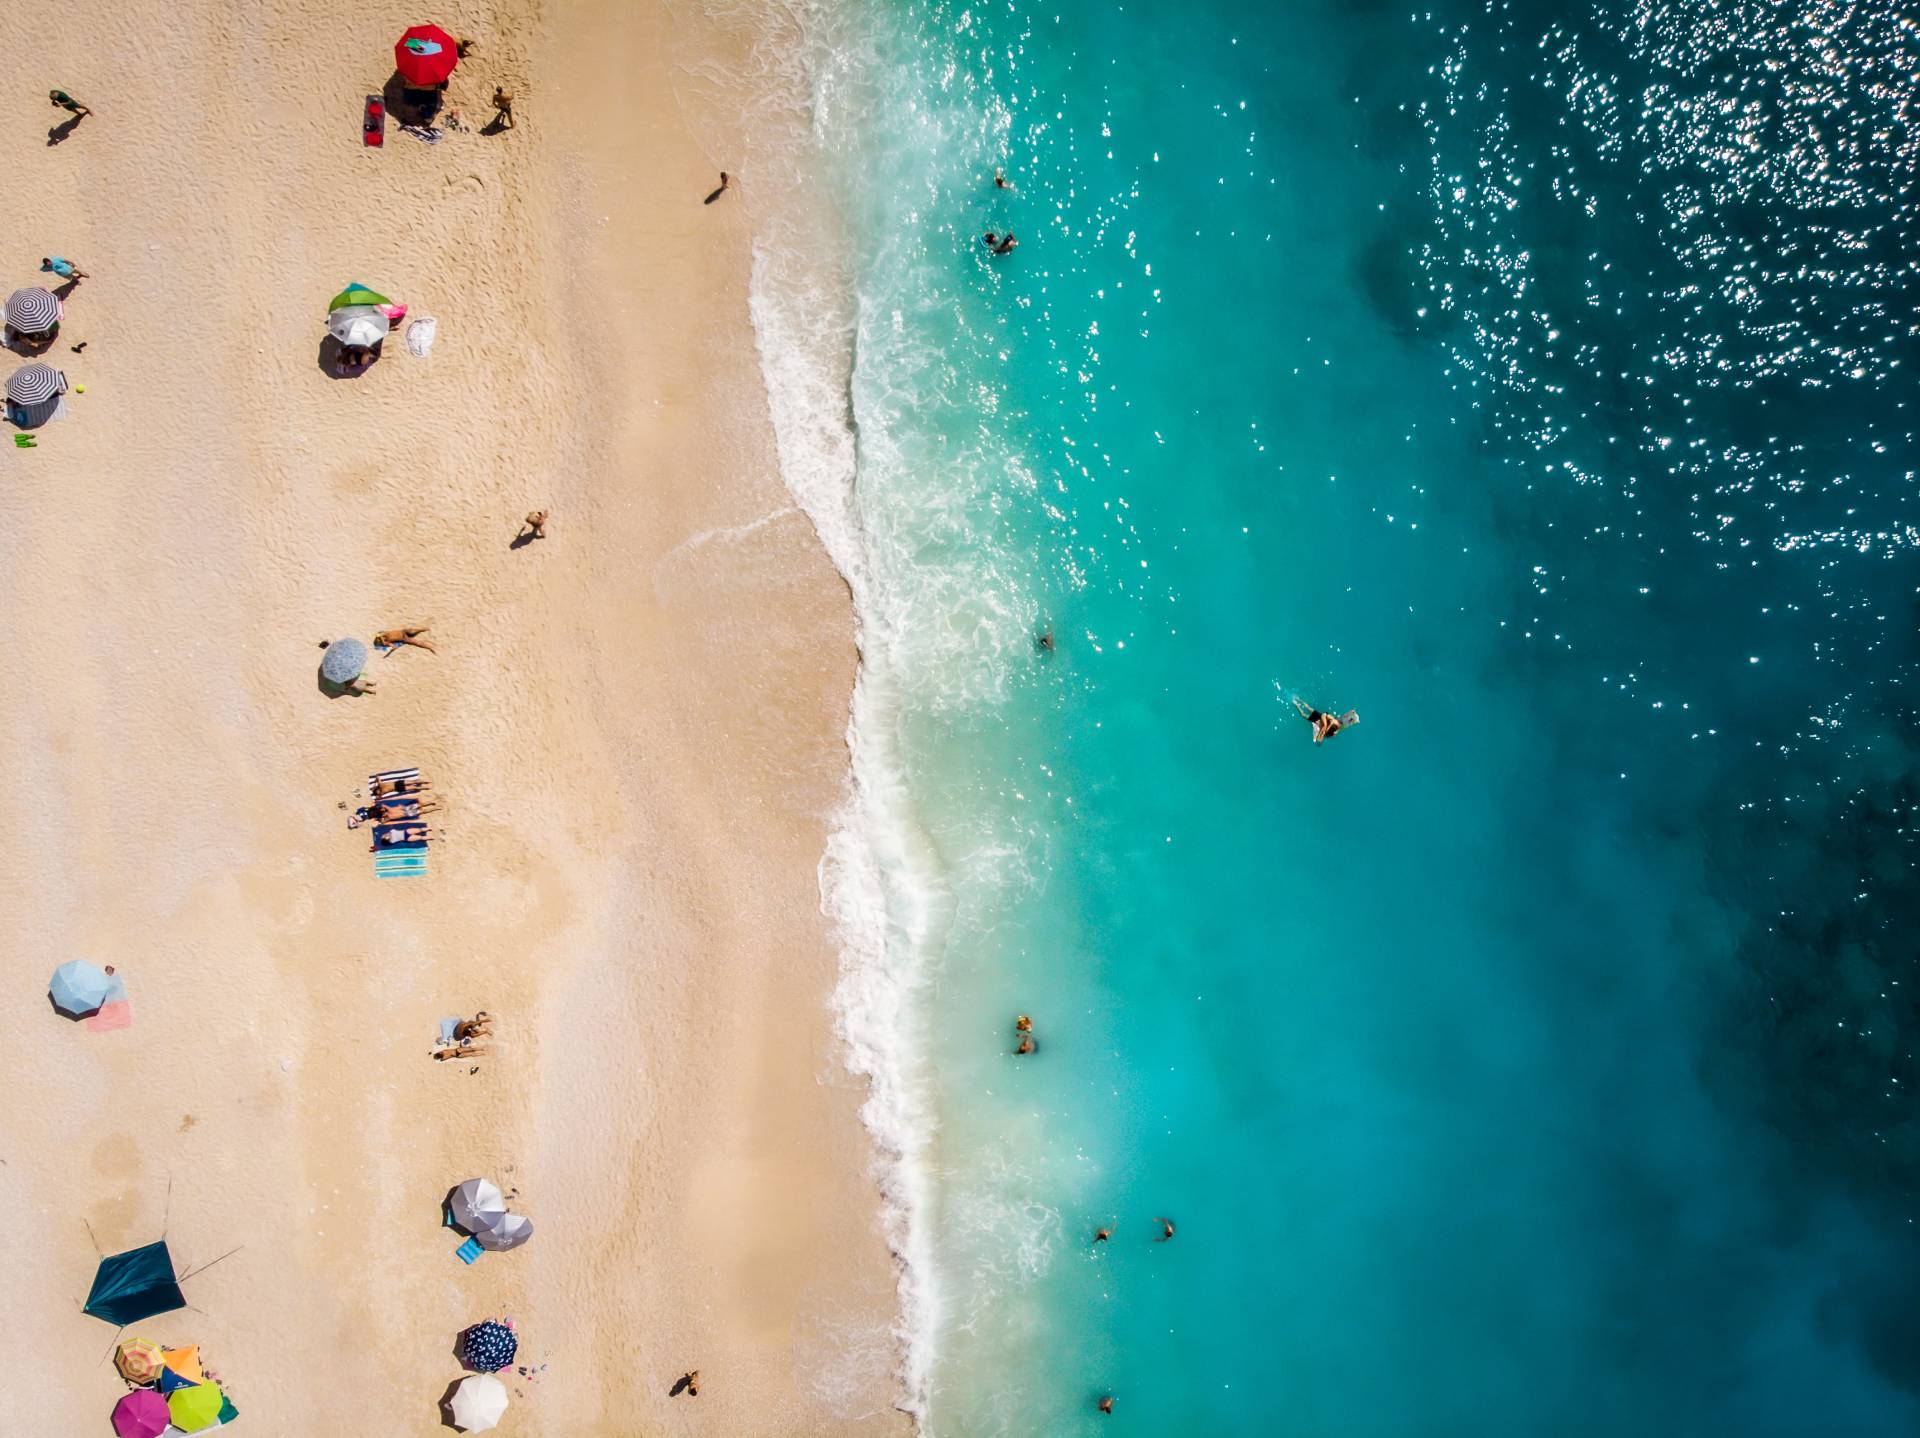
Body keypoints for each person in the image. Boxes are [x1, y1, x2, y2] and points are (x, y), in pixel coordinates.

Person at [1292, 695, 1359, 744]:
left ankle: (1297, 702)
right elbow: (1329, 726)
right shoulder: (1331, 727)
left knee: (1307, 710)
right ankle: (1297, 702)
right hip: (1319, 718)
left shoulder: (1330, 728)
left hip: (1319, 718)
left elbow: (1323, 731)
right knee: (1306, 711)